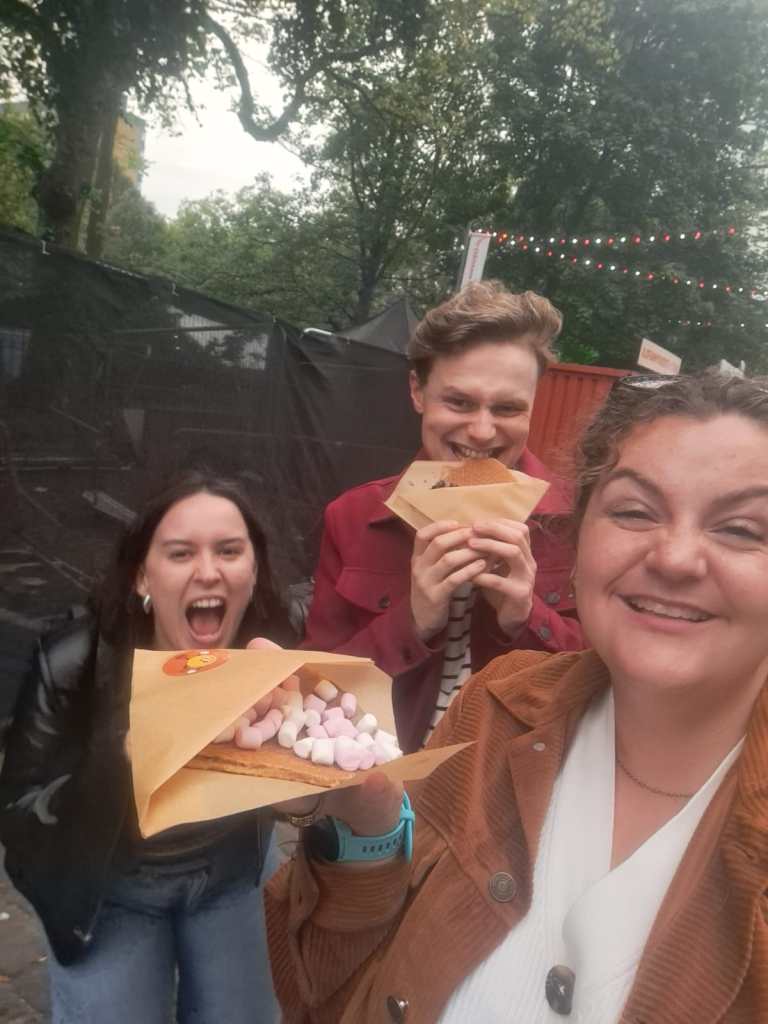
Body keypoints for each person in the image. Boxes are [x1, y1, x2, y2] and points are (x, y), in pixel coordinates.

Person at [266, 371, 768, 1023]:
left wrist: (522, 614)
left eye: (741, 529)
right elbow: (329, 980)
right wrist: (367, 825)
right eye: (634, 511)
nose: (674, 558)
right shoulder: (494, 708)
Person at [0, 469, 295, 1024]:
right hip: (110, 890)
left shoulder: (268, 646)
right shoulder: (71, 662)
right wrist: (129, 755)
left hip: (232, 874)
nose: (208, 571)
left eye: (229, 551)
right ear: (142, 575)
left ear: (254, 571)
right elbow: (19, 815)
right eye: (181, 553)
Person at [304, 281, 584, 752]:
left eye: (508, 408)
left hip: (520, 782)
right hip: (380, 778)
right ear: (418, 391)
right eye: (459, 402)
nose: (482, 431)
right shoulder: (352, 518)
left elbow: (607, 687)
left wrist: (525, 617)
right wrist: (411, 623)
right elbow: (314, 689)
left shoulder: (578, 522)